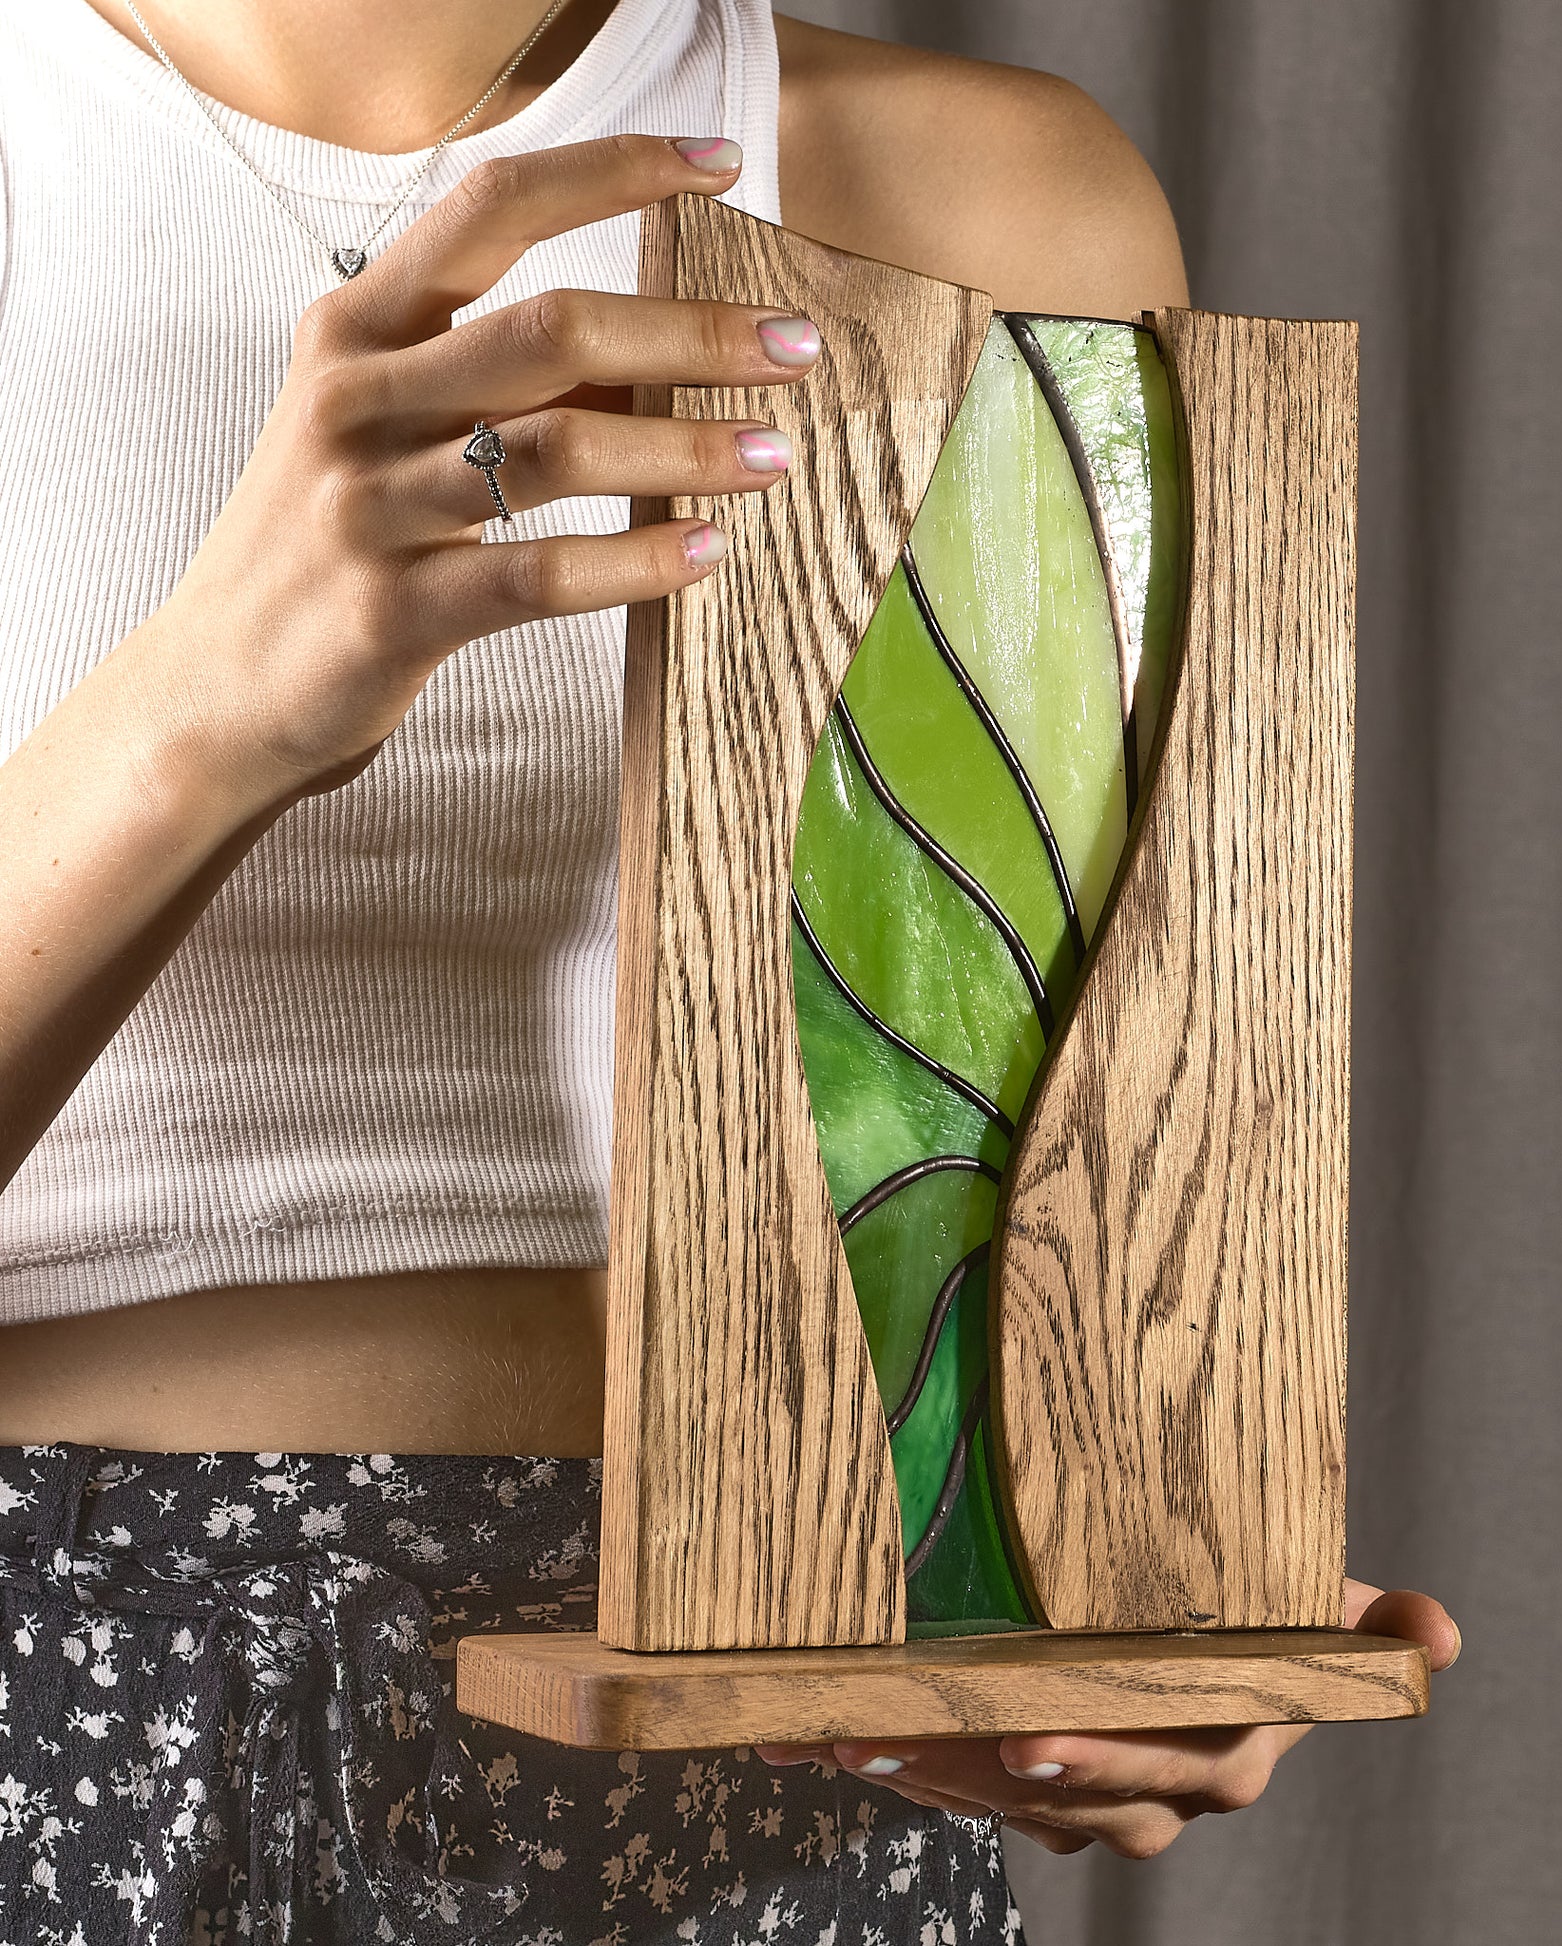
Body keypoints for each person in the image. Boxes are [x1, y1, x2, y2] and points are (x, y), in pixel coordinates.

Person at [0, 1, 1461, 1938]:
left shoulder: (984, 202)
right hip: (57, 1714)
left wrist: (1064, 1623)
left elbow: (1044, 1188)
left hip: (754, 1765)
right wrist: (207, 713)